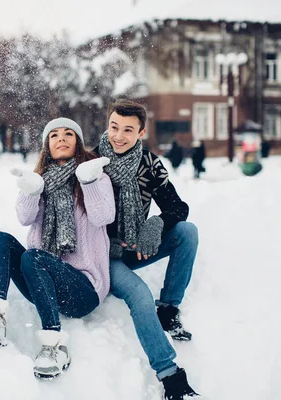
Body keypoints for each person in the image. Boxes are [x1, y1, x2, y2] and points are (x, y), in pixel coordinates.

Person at [0, 118, 115, 380]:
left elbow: (103, 216)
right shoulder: (39, 181)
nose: (61, 138)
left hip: (83, 289)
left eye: (68, 134)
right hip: (42, 281)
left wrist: (89, 183)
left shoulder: (95, 176)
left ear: (78, 142)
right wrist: (31, 191)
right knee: (1, 239)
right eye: (54, 135)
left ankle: (55, 347)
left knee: (34, 258)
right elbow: (25, 218)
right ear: (47, 145)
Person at [94, 99, 201, 400]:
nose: (118, 135)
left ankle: (168, 308)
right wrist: (108, 242)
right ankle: (170, 376)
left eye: (128, 130)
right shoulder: (91, 163)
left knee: (187, 233)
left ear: (140, 133)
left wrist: (157, 223)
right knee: (139, 294)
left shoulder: (150, 164)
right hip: (104, 255)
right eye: (114, 126)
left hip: (139, 246)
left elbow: (179, 207)